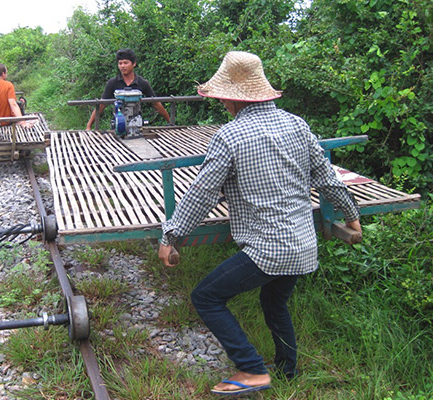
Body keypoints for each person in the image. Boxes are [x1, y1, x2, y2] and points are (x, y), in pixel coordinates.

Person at [157, 52, 362, 396]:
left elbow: (202, 193)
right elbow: (327, 178)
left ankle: (252, 370)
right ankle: (288, 369)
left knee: (206, 297)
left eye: (222, 93)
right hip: (303, 244)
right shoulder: (297, 124)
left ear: (232, 96)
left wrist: (171, 235)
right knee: (274, 303)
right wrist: (352, 216)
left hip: (269, 249)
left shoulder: (230, 136)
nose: (221, 100)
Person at [86, 48, 170, 130]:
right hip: (118, 126)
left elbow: (156, 104)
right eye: (120, 63)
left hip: (136, 125)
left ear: (133, 64)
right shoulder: (113, 83)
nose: (122, 66)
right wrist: (89, 126)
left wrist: (170, 122)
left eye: (126, 63)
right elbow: (101, 105)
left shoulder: (142, 83)